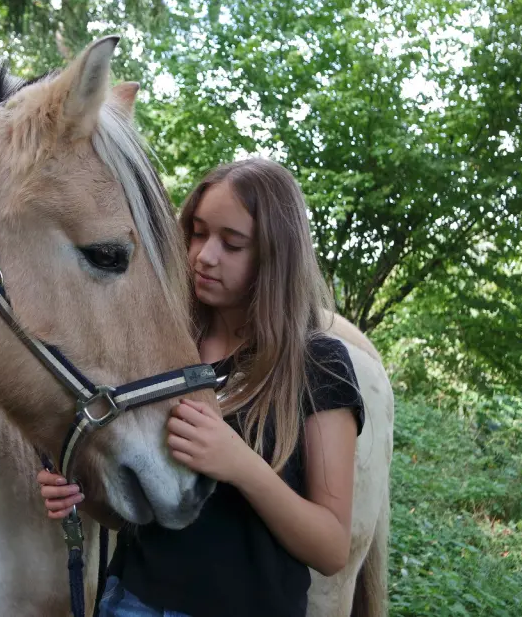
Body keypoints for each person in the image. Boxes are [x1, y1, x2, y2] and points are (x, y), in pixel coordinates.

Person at [36, 157, 365, 617]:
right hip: (131, 601)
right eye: (198, 232)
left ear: (277, 256)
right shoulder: (165, 345)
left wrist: (239, 465)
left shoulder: (316, 365)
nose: (204, 256)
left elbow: (331, 548)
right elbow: (139, 510)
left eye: (232, 244)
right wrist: (85, 496)